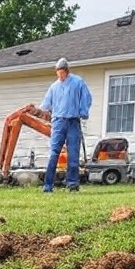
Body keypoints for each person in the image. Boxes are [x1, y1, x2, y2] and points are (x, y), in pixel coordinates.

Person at [37, 58, 92, 193]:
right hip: (58, 122)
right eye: (58, 73)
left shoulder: (78, 82)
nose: (60, 75)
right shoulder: (54, 87)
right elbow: (45, 105)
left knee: (73, 153)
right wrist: (41, 112)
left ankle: (72, 184)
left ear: (67, 71)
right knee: (54, 153)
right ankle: (48, 185)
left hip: (73, 121)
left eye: (62, 72)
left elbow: (86, 98)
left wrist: (83, 112)